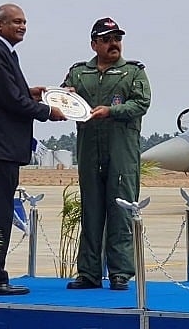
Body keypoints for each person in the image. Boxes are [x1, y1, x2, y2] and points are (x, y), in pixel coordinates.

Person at [0, 3, 67, 296]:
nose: (22, 27)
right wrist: (48, 111)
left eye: (24, 22)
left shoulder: (4, 53)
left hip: (4, 146)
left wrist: (33, 93)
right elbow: (11, 100)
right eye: (16, 22)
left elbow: (11, 94)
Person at [62, 17, 151, 290]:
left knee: (121, 211)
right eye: (107, 39)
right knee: (90, 211)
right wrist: (64, 96)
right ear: (94, 44)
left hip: (121, 152)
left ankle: (120, 273)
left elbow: (141, 103)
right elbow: (64, 97)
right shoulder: (79, 73)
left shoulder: (133, 73)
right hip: (89, 151)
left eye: (117, 38)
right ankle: (88, 273)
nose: (114, 44)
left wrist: (111, 111)